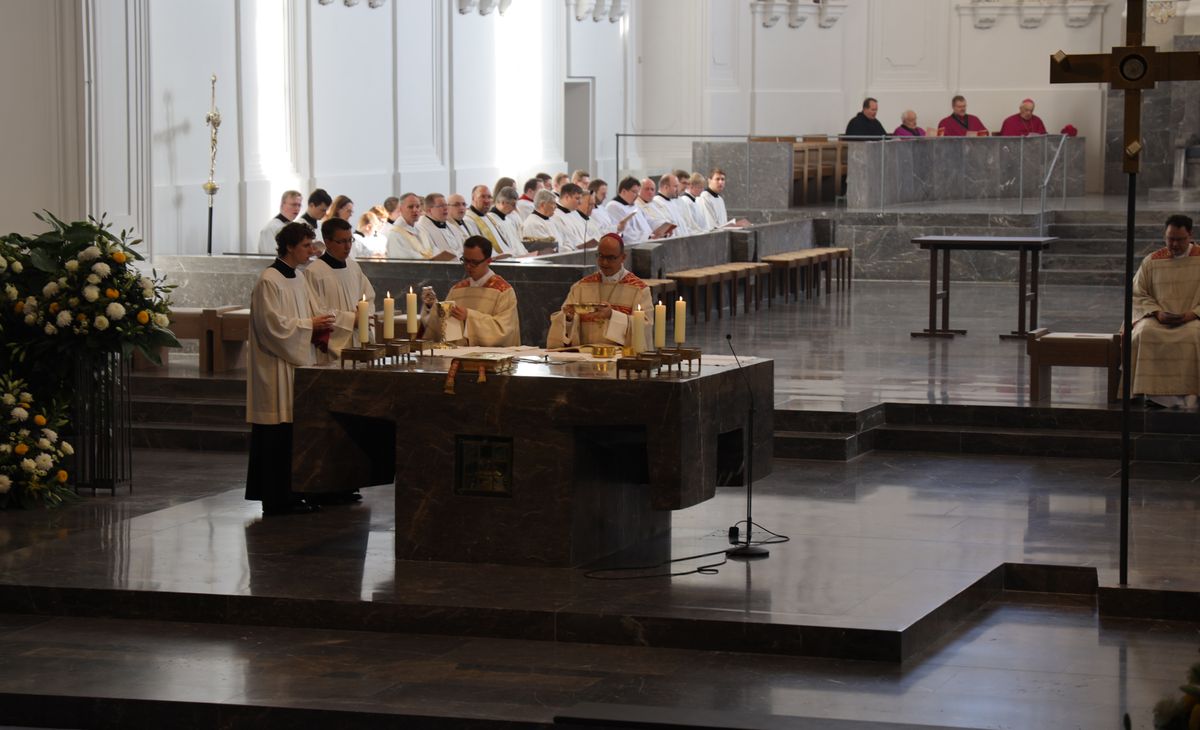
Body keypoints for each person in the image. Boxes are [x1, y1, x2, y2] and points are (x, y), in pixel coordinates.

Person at [245, 222, 334, 516]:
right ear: (290, 247)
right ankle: (275, 497)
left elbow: (308, 314)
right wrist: (311, 325)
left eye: (312, 244)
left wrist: (321, 323)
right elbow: (272, 328)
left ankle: (293, 492)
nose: (312, 250)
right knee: (275, 436)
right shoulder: (269, 280)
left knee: (292, 434)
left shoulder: (297, 277)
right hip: (275, 369)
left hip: (296, 364)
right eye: (307, 246)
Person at [1129, 214, 1200, 409]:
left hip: (1193, 319)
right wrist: (1156, 312)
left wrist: (1192, 314)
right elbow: (1138, 293)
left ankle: (1190, 392)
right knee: (1144, 333)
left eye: (1180, 239)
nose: (1174, 244)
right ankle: (1155, 394)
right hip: (1158, 317)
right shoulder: (1152, 261)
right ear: (1164, 235)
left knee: (1194, 335)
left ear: (1190, 235)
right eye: (1170, 239)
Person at [546, 233, 653, 348]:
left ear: (623, 257)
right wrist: (568, 318)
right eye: (601, 256)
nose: (604, 262)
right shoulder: (581, 287)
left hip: (622, 360)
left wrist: (612, 315)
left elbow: (644, 326)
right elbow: (563, 321)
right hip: (585, 358)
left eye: (610, 258)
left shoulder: (639, 289)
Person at [418, 236, 520, 347]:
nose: (468, 266)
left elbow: (504, 331)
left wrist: (469, 317)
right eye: (465, 261)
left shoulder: (503, 291)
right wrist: (432, 306)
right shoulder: (457, 290)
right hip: (457, 358)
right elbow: (442, 328)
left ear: (488, 261)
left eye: (474, 263)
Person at [385, 192, 441, 259]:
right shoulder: (395, 234)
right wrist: (429, 259)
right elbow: (405, 259)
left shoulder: (421, 230)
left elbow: (433, 248)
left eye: (417, 206)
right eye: (410, 207)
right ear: (401, 209)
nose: (415, 210)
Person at [604, 176, 659, 243]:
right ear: (624, 191)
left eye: (638, 192)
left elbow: (646, 223)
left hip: (646, 242)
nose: (637, 195)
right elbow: (626, 234)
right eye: (634, 192)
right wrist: (648, 237)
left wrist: (656, 233)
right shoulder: (613, 207)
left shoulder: (634, 205)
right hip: (631, 247)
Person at [415, 192, 462, 257]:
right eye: (441, 206)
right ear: (429, 210)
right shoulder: (421, 228)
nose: (446, 208)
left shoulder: (452, 227)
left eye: (446, 205)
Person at [487, 186, 529, 256]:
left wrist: (526, 254)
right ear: (503, 203)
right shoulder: (491, 221)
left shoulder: (508, 220)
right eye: (513, 205)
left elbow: (517, 244)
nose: (515, 208)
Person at [257, 190, 301, 254]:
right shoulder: (271, 228)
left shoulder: (295, 227)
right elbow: (270, 257)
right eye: (293, 204)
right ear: (282, 205)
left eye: (299, 205)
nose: (297, 208)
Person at [464, 184, 504, 252]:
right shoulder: (468, 220)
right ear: (473, 198)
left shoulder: (490, 218)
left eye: (489, 197)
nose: (487, 201)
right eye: (482, 197)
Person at [552, 182, 587, 250]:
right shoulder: (555, 215)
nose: (580, 202)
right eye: (577, 198)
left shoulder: (576, 213)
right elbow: (563, 242)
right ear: (567, 197)